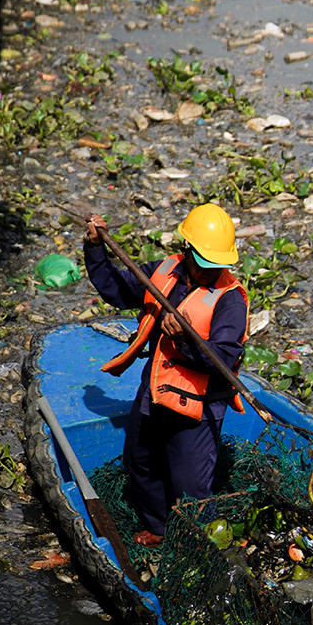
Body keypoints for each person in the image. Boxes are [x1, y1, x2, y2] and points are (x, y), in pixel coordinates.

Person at [84, 203, 249, 546]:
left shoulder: (230, 300)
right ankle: (159, 528)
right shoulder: (164, 271)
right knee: (139, 462)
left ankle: (193, 549)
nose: (207, 273)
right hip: (157, 389)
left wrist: (186, 339)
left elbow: (223, 357)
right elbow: (117, 289)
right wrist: (96, 249)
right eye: (202, 265)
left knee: (192, 486)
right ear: (186, 250)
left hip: (198, 405)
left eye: (215, 267)